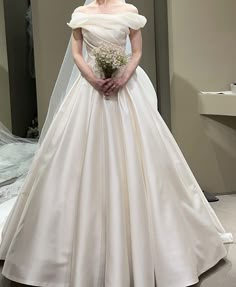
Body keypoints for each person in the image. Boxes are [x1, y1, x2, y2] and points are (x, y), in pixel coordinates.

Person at [0, 0, 233, 286]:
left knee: (140, 161)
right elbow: (77, 53)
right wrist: (93, 79)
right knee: (72, 161)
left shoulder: (129, 12)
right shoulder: (81, 15)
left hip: (127, 90)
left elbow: (136, 52)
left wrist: (122, 75)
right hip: (88, 92)